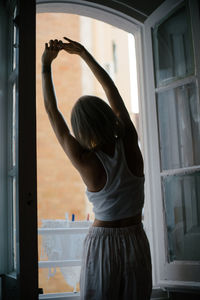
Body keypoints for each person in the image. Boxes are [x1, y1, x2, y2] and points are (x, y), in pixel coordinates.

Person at [41, 37, 152, 300]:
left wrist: (46, 66)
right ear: (106, 115)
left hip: (103, 243)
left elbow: (52, 112)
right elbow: (113, 92)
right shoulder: (129, 143)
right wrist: (84, 54)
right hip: (136, 238)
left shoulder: (86, 160)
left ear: (82, 130)